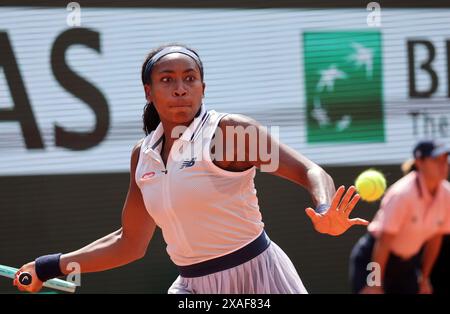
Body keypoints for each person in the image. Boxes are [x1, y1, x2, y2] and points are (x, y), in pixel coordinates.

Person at [14, 44, 368, 294]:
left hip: (259, 278)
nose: (180, 88)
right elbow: (128, 243)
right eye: (167, 80)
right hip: (192, 285)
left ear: (203, 87)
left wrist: (325, 209)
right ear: (148, 92)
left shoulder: (229, 132)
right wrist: (48, 266)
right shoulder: (144, 155)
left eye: (190, 78)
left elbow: (310, 171)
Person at [349, 140, 450, 294]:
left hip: (407, 265)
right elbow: (383, 241)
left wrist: (424, 278)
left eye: (445, 160)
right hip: (373, 259)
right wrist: (375, 283)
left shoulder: (447, 195)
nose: (443, 165)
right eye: (436, 160)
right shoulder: (403, 194)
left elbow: (435, 238)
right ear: (419, 162)